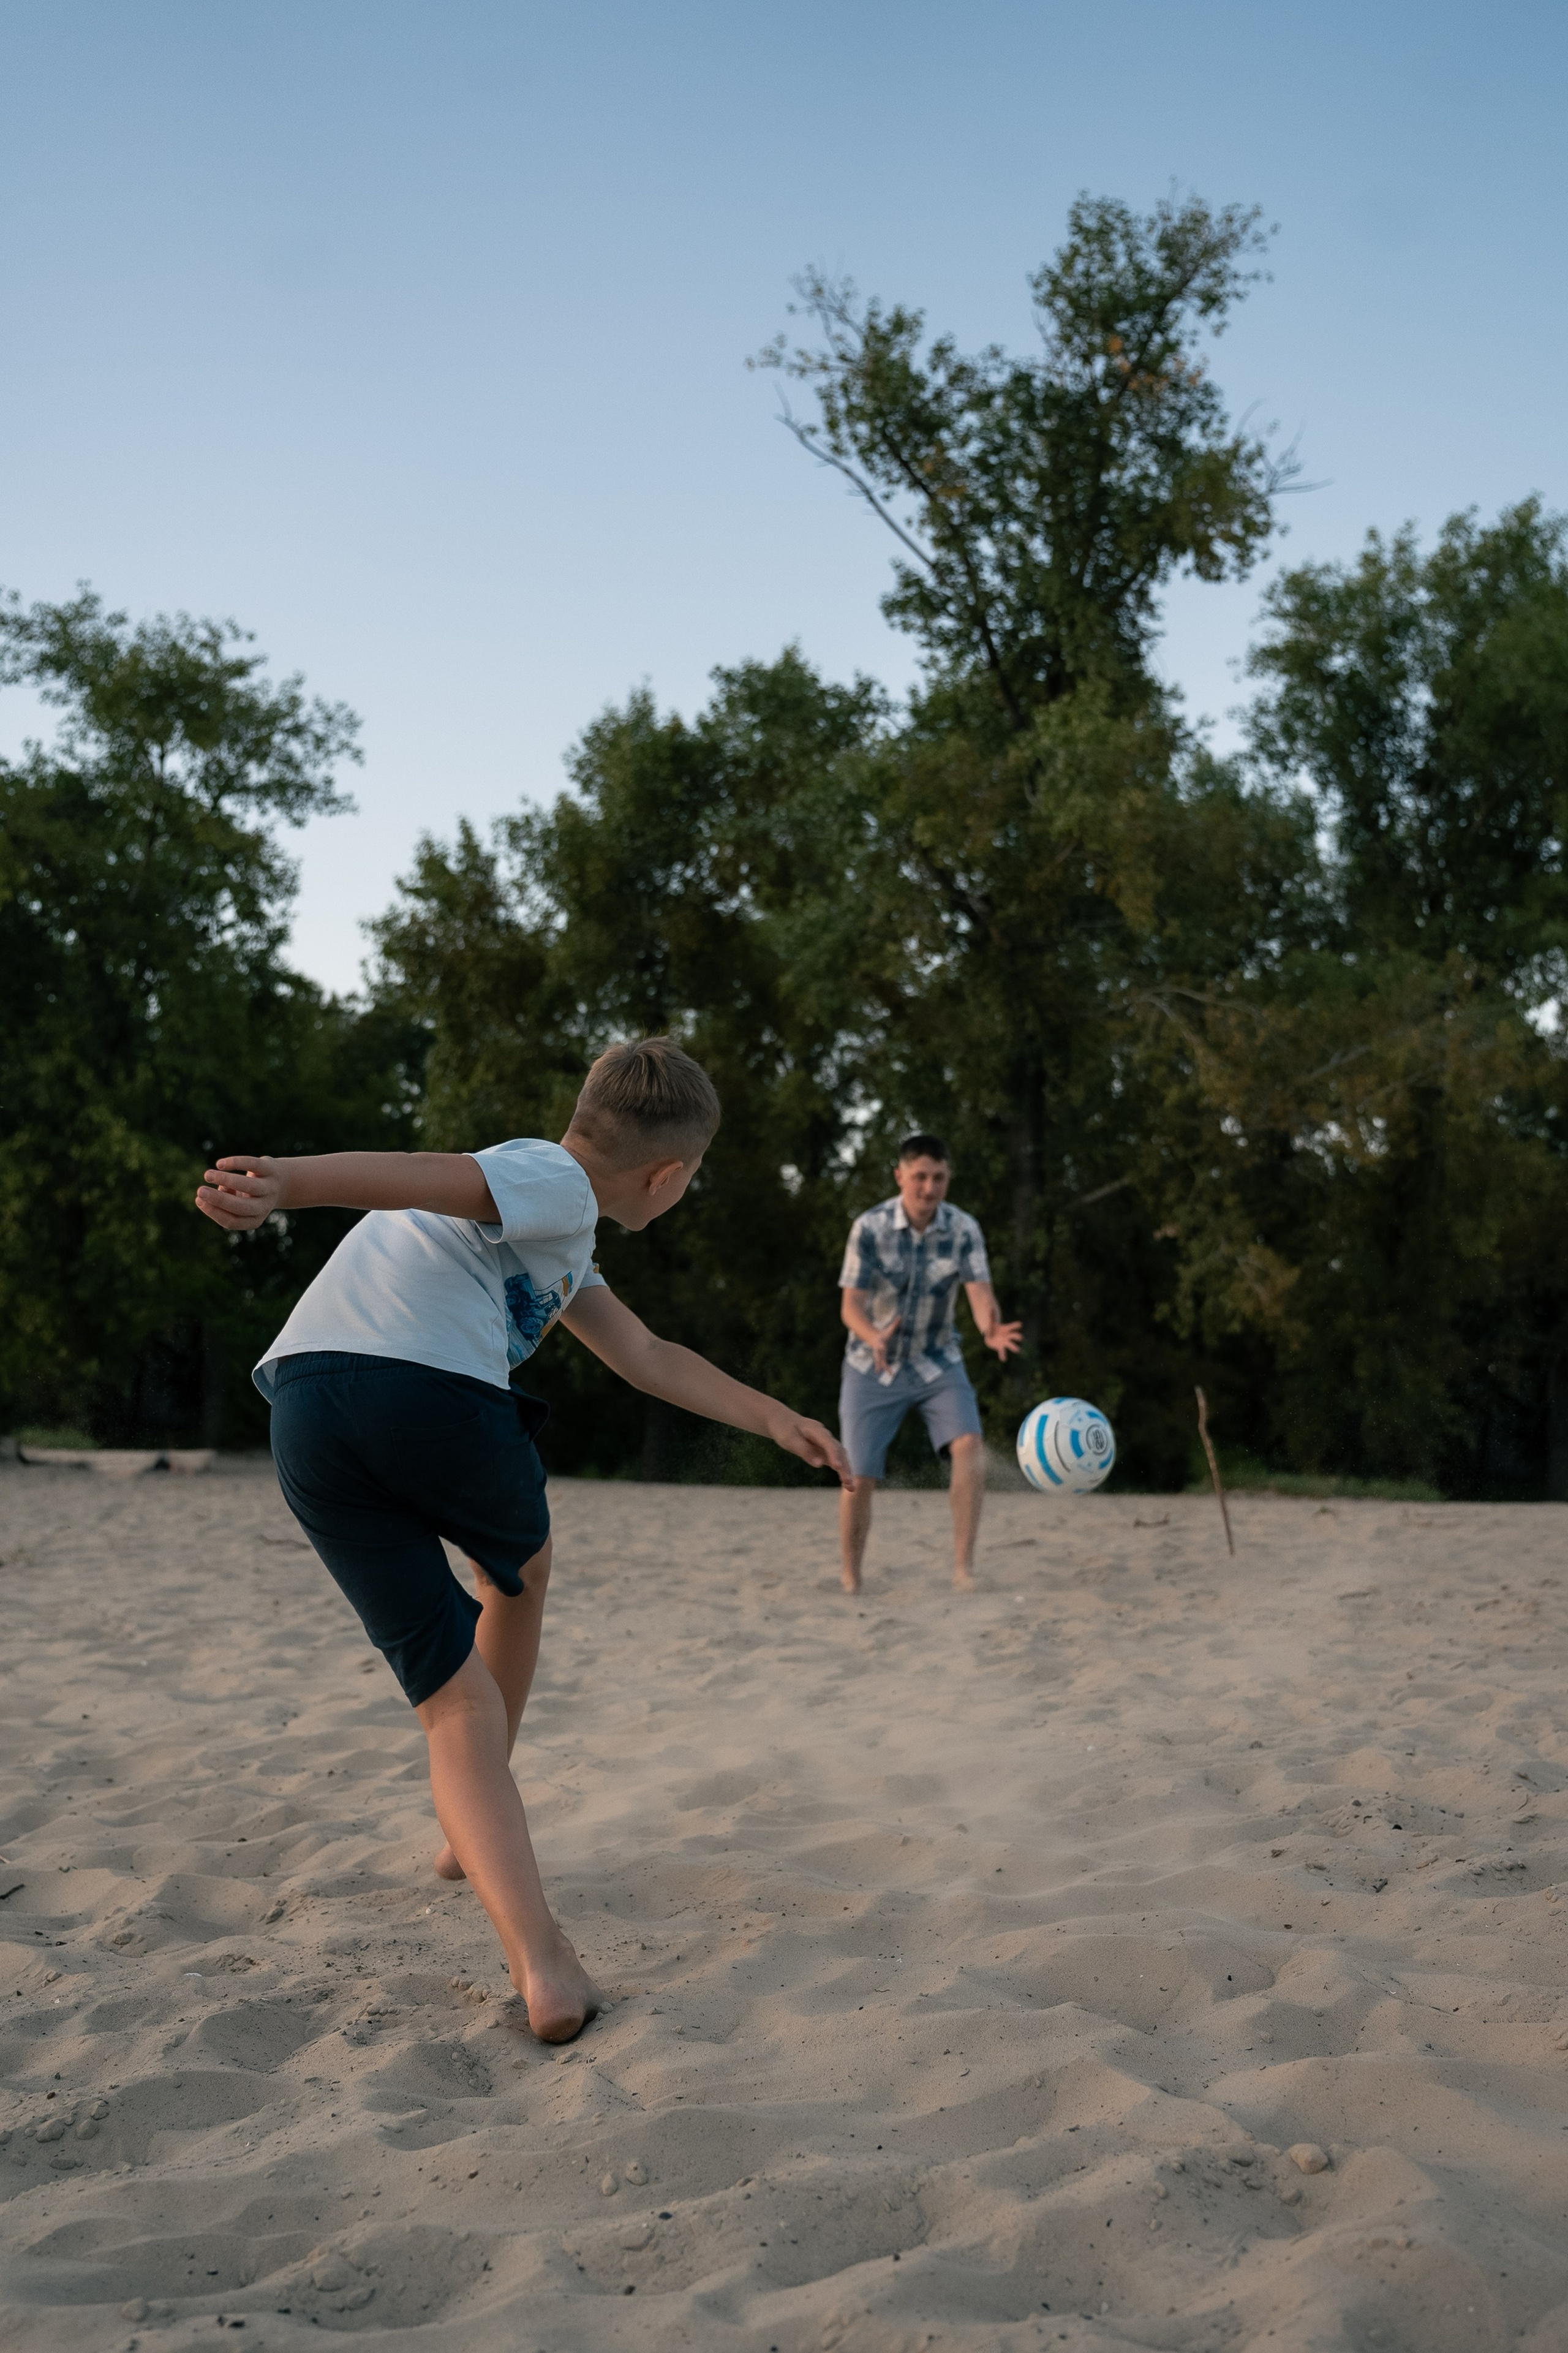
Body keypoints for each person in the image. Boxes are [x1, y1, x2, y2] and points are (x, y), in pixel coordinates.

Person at [194, 1037, 848, 2045]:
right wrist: (289, 1183)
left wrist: (771, 1416)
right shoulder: (554, 1179)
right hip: (426, 1395)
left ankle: (480, 1835)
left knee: (455, 1699)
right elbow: (431, 1173)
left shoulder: (557, 1238)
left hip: (306, 1413)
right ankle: (543, 1959)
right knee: (522, 1573)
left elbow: (646, 1353)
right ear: (666, 1176)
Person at [837, 1132, 1020, 1595]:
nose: (929, 1187)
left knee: (969, 1446)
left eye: (938, 1177)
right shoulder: (870, 1227)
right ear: (900, 1176)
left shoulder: (964, 1229)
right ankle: (851, 1575)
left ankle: (963, 1568)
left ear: (948, 1179)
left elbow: (981, 1294)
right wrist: (872, 1334)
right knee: (857, 1474)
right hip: (871, 1362)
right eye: (919, 1176)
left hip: (939, 1360)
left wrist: (990, 1329)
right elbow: (850, 1307)